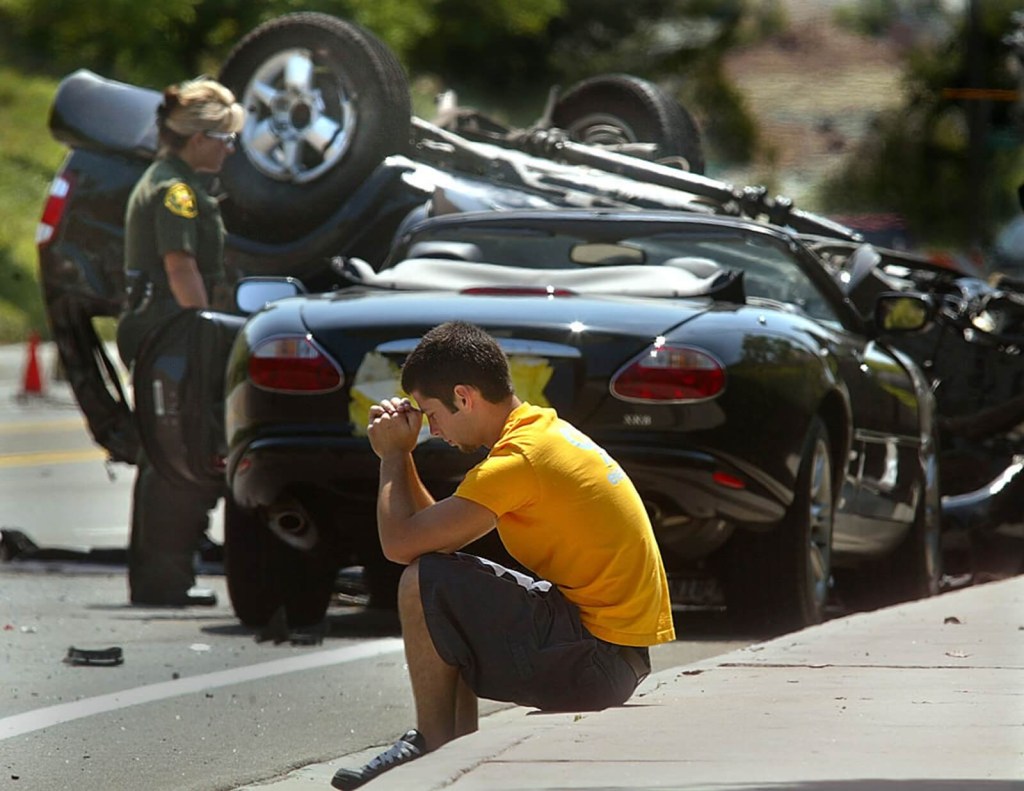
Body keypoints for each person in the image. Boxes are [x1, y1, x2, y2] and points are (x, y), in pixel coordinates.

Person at [331, 321, 675, 790]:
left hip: (599, 664)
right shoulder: (539, 433)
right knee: (444, 580)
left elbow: (399, 546)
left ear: (465, 396)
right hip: (615, 654)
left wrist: (391, 457)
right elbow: (436, 538)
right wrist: (404, 456)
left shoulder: (518, 462)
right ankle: (457, 747)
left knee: (420, 580)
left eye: (434, 414)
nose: (434, 429)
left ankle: (433, 745)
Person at [115, 77, 245, 607]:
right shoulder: (176, 191)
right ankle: (163, 583)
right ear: (199, 138)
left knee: (165, 456)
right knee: (175, 458)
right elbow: (180, 266)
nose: (229, 148)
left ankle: (162, 578)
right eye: (225, 138)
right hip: (172, 333)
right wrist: (206, 328)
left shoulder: (168, 179)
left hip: (161, 332)